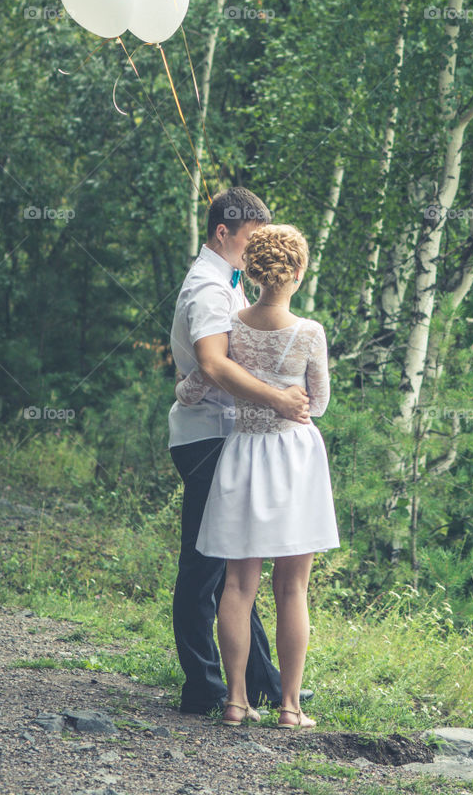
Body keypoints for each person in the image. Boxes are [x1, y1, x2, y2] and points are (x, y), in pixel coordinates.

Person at [168, 186, 314, 716]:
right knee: (207, 566)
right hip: (207, 436)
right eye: (252, 239)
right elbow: (211, 363)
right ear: (223, 232)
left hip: (229, 436)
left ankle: (260, 682)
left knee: (236, 565)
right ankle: (205, 686)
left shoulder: (229, 282)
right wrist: (279, 399)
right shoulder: (208, 288)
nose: (258, 252)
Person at [187, 222, 339, 729]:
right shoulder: (309, 333)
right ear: (298, 270)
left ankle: (235, 701)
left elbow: (200, 380)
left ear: (252, 270)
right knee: (292, 587)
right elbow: (316, 403)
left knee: (237, 584)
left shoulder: (233, 325)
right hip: (293, 457)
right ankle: (290, 708)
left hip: (243, 453)